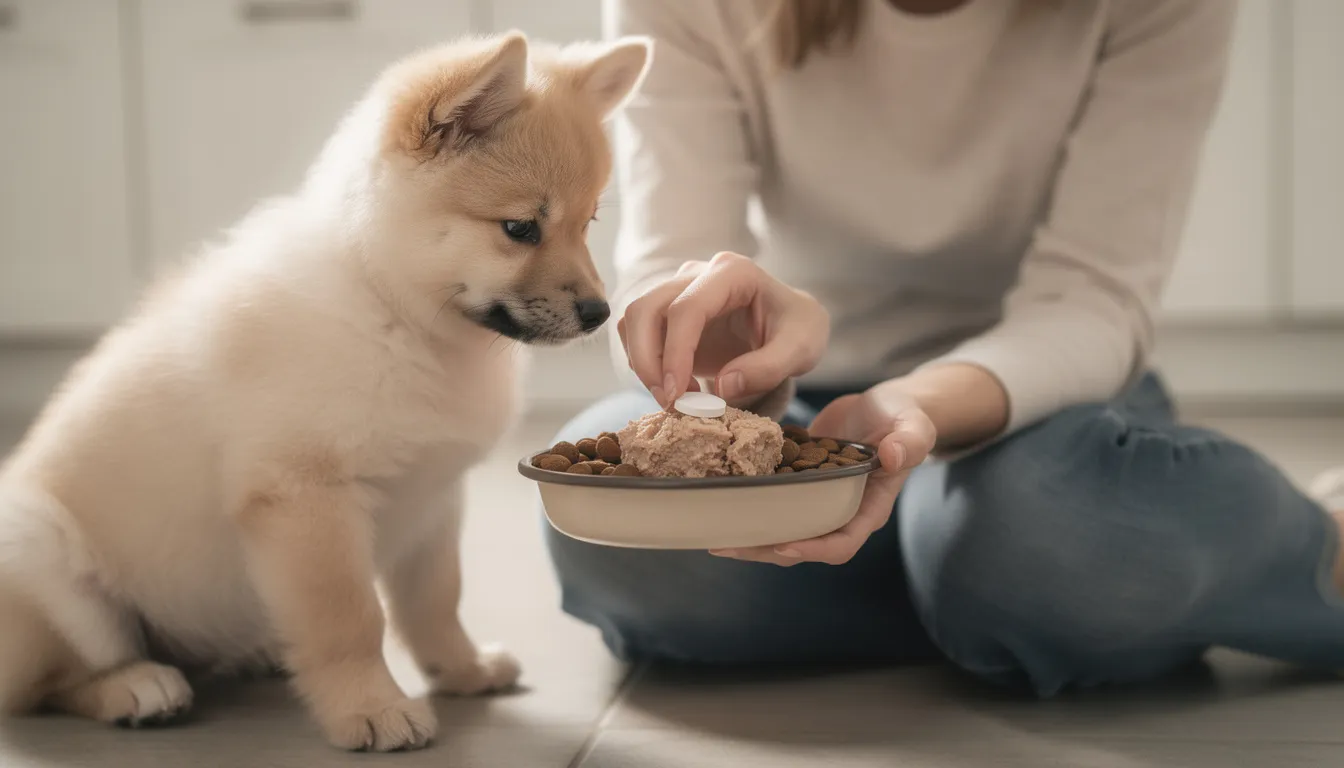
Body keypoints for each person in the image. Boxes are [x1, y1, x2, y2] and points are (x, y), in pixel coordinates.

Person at [543, 0, 1344, 696]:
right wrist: (722, 361)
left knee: (1041, 522)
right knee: (618, 540)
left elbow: (1093, 298)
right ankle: (998, 598)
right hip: (806, 408)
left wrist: (914, 407)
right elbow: (665, 268)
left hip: (1034, 408)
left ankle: (1319, 548)